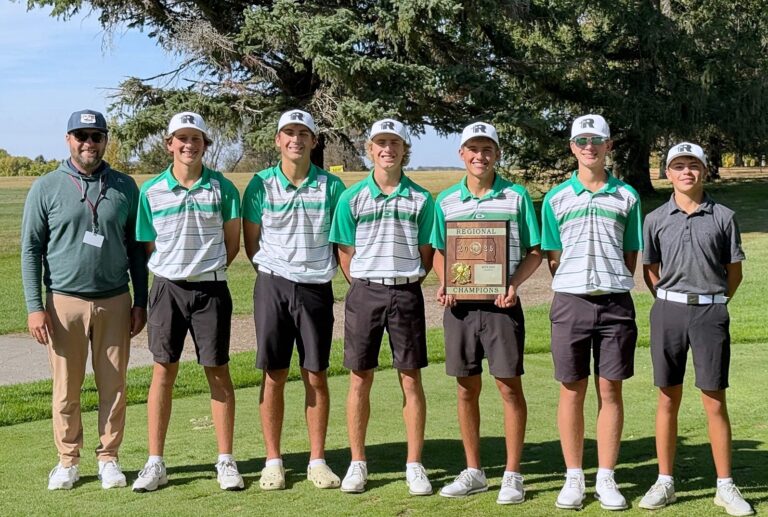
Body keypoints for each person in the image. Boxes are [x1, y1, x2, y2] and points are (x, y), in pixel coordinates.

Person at [21, 109, 148, 490]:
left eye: (96, 136)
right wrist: (33, 307)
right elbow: (30, 250)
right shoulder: (46, 187)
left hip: (114, 300)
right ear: (68, 139)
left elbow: (136, 250)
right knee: (66, 387)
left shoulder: (125, 186)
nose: (89, 143)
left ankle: (109, 457)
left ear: (106, 140)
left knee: (114, 386)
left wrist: (140, 300)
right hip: (63, 303)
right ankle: (68, 460)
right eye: (81, 136)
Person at [639, 143, 753, 516]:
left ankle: (725, 486)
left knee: (713, 398)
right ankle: (665, 481)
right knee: (667, 398)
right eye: (678, 166)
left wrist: (713, 303)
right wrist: (671, 299)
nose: (686, 172)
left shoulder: (723, 216)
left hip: (710, 313)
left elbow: (732, 272)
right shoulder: (655, 218)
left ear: (704, 171)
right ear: (667, 173)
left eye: (693, 166)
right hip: (667, 311)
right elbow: (650, 270)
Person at [131, 112, 243, 492]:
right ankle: (155, 462)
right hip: (167, 288)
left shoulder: (223, 188)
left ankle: (226, 460)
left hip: (211, 290)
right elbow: (148, 245)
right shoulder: (151, 191)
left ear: (205, 145)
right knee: (163, 371)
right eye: (181, 138)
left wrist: (203, 269)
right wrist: (178, 268)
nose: (188, 145)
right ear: (169, 144)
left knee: (218, 370)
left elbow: (232, 244)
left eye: (196, 138)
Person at [431, 122, 542, 504]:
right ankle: (474, 470)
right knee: (466, 388)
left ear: (497, 153)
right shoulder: (445, 200)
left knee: (508, 386)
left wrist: (514, 285)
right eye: (473, 149)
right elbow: (439, 250)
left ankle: (513, 474)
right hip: (460, 309)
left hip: (501, 305)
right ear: (462, 154)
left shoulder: (516, 196)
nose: (481, 156)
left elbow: (535, 250)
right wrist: (445, 281)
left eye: (488, 149)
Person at [540, 114, 642, 510]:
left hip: (616, 301)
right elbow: (553, 256)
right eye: (581, 140)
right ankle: (573, 478)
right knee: (571, 389)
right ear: (572, 146)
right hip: (570, 301)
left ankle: (606, 477)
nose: (589, 146)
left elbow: (631, 251)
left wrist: (612, 279)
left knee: (610, 389)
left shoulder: (628, 196)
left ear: (608, 146)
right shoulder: (555, 198)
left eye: (596, 140)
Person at [330, 118, 435, 496]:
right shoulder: (351, 197)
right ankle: (357, 463)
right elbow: (345, 253)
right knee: (360, 377)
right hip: (365, 292)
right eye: (380, 143)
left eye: (394, 143)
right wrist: (366, 282)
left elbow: (426, 254)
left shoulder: (422, 199)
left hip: (406, 292)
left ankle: (415, 464)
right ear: (369, 148)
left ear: (404, 149)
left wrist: (402, 280)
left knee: (410, 377)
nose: (387, 149)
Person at [242, 109, 346, 490]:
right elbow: (252, 242)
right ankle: (274, 460)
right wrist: (275, 273)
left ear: (314, 141)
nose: (296, 140)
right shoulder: (260, 184)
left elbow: (340, 241)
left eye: (304, 133)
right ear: (278, 140)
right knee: (274, 373)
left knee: (315, 373)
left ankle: (317, 459)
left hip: (316, 286)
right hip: (272, 284)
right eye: (289, 133)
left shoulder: (331, 187)